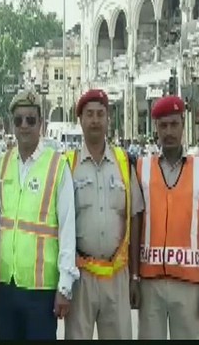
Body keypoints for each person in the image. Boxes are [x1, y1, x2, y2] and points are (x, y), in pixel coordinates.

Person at [0, 88, 78, 340]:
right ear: (12, 124)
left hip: (42, 290)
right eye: (18, 120)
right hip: (7, 285)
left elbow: (68, 229)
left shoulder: (57, 165)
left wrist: (65, 286)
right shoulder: (3, 163)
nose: (24, 126)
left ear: (41, 124)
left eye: (31, 120)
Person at [135, 96, 199, 340]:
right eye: (163, 126)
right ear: (156, 129)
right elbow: (133, 227)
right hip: (150, 285)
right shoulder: (142, 168)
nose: (169, 132)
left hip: (188, 287)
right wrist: (132, 279)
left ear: (183, 126)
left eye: (174, 125)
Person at [64, 89, 144, 340]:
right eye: (90, 114)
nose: (95, 120)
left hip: (116, 276)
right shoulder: (68, 164)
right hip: (81, 279)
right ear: (81, 121)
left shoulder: (123, 162)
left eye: (100, 114)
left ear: (108, 119)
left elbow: (135, 216)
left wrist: (134, 275)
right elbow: (60, 224)